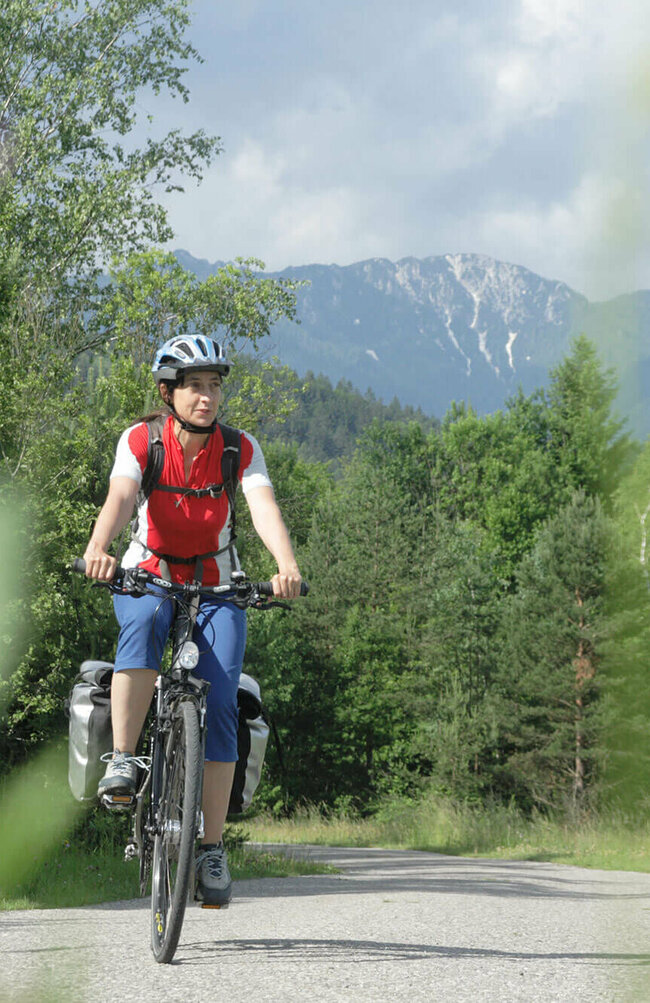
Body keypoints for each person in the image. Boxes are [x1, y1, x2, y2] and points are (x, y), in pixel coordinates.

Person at [83, 334, 302, 906]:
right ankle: (124, 759)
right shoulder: (142, 440)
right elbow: (121, 496)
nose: (207, 397)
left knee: (223, 701)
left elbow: (263, 508)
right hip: (149, 573)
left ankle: (210, 847)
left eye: (214, 386)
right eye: (195, 386)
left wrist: (286, 566)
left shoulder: (239, 448)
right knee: (143, 626)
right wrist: (99, 547)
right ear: (168, 393)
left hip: (217, 583)